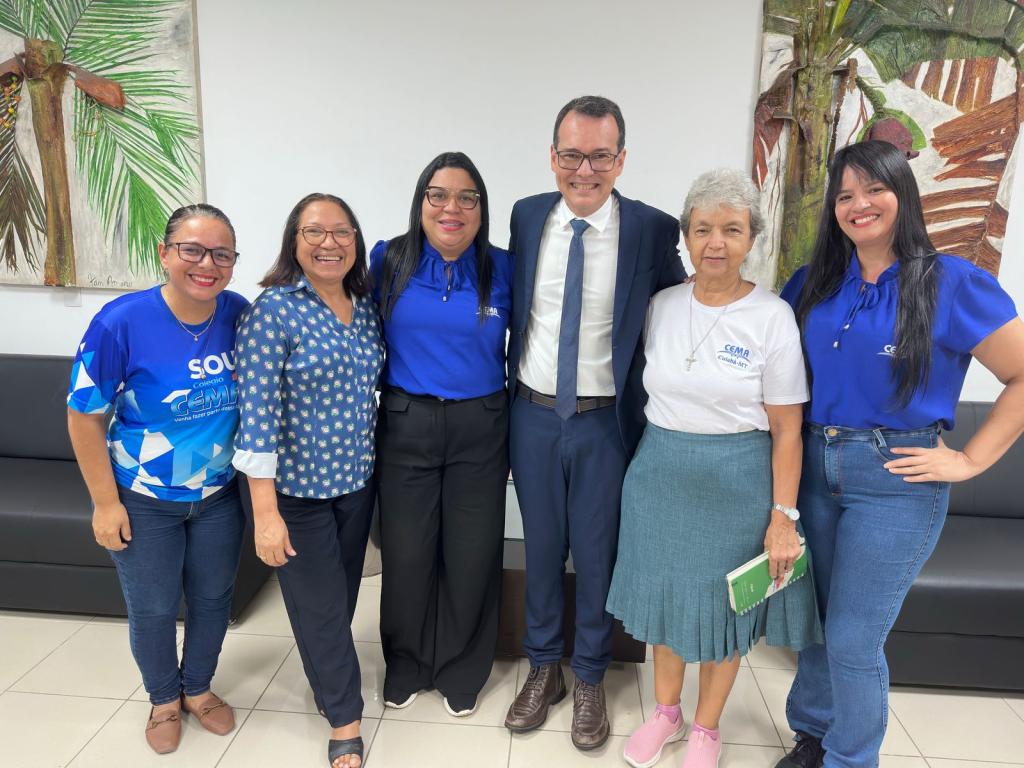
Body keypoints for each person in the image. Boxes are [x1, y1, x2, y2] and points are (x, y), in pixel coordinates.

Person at [776, 140, 1024, 768]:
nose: (859, 205)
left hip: (894, 479)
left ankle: (850, 759)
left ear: (903, 195)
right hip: (811, 469)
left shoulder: (954, 282)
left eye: (873, 189)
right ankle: (813, 734)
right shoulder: (811, 284)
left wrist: (969, 461)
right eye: (844, 196)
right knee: (814, 623)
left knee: (855, 638)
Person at [606, 169, 822, 768]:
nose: (716, 242)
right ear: (686, 238)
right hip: (660, 475)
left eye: (731, 229)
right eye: (703, 229)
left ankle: (706, 728)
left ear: (751, 238)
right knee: (668, 602)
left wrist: (783, 516)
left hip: (736, 481)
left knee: (725, 610)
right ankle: (667, 713)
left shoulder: (772, 316)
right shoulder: (660, 307)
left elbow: (786, 431)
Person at [504, 95, 686, 750]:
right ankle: (543, 667)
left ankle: (588, 677)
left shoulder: (651, 228)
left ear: (621, 159)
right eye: (572, 155)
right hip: (530, 414)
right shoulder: (527, 218)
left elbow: (680, 309)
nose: (585, 169)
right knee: (542, 547)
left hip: (605, 422)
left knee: (598, 553)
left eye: (600, 156)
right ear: (553, 157)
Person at [67, 204, 247, 754]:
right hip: (143, 497)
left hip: (219, 495)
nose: (207, 264)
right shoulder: (121, 321)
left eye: (222, 254)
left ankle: (198, 688)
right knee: (153, 607)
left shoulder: (238, 313)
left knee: (214, 600)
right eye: (192, 250)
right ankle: (163, 699)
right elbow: (83, 414)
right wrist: (105, 504)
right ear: (166, 254)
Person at [232, 193, 383, 768]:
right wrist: (264, 512)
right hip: (294, 495)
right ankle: (345, 719)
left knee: (337, 602)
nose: (329, 243)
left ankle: (326, 679)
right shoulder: (273, 311)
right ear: (293, 242)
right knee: (321, 609)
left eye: (341, 231)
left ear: (356, 241)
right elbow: (256, 416)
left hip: (355, 485)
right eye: (314, 232)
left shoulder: (364, 306)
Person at [370, 151, 512, 717]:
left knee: (472, 555)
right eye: (438, 195)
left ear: (481, 209)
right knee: (406, 554)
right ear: (421, 203)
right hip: (405, 423)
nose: (451, 207)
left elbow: (526, 346)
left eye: (466, 197)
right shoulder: (389, 259)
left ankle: (461, 668)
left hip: (482, 425)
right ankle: (406, 662)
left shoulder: (504, 268)